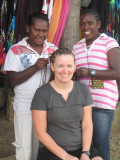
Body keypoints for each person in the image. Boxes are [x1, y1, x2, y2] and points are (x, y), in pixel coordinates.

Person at [31, 48, 103, 160]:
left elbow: (87, 123)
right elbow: (40, 133)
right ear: (52, 67)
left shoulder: (83, 89)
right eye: (60, 66)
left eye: (69, 66)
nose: (65, 71)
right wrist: (66, 156)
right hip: (53, 151)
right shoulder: (42, 93)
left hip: (81, 147)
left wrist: (86, 152)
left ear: (74, 67)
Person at [3, 12, 57, 160]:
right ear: (28, 28)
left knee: (45, 146)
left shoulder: (53, 49)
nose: (41, 34)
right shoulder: (15, 49)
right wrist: (34, 68)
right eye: (37, 30)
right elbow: (11, 80)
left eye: (44, 31)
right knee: (25, 147)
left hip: (49, 106)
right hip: (25, 106)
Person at [72, 9, 120, 160]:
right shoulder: (76, 47)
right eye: (82, 24)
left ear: (98, 24)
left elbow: (117, 72)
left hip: (102, 104)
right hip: (82, 103)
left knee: (100, 144)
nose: (85, 26)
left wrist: (90, 72)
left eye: (89, 23)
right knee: (84, 145)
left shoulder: (109, 42)